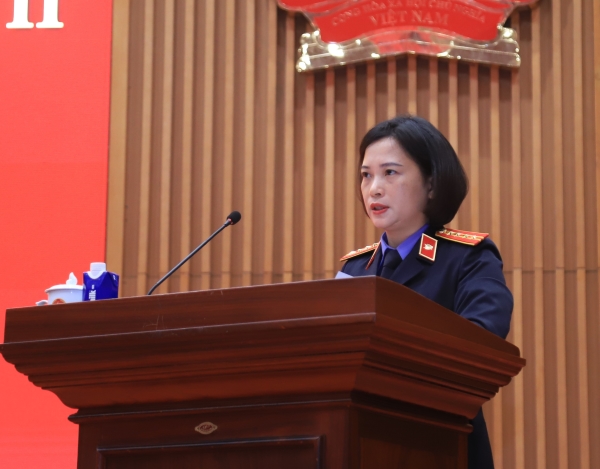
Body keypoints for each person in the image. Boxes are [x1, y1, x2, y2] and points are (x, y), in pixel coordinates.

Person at [340, 115, 512, 469]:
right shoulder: (355, 269)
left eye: (390, 172)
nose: (374, 189)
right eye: (366, 175)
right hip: (358, 444)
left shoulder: (467, 257)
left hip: (441, 444)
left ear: (431, 184)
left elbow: (483, 341)